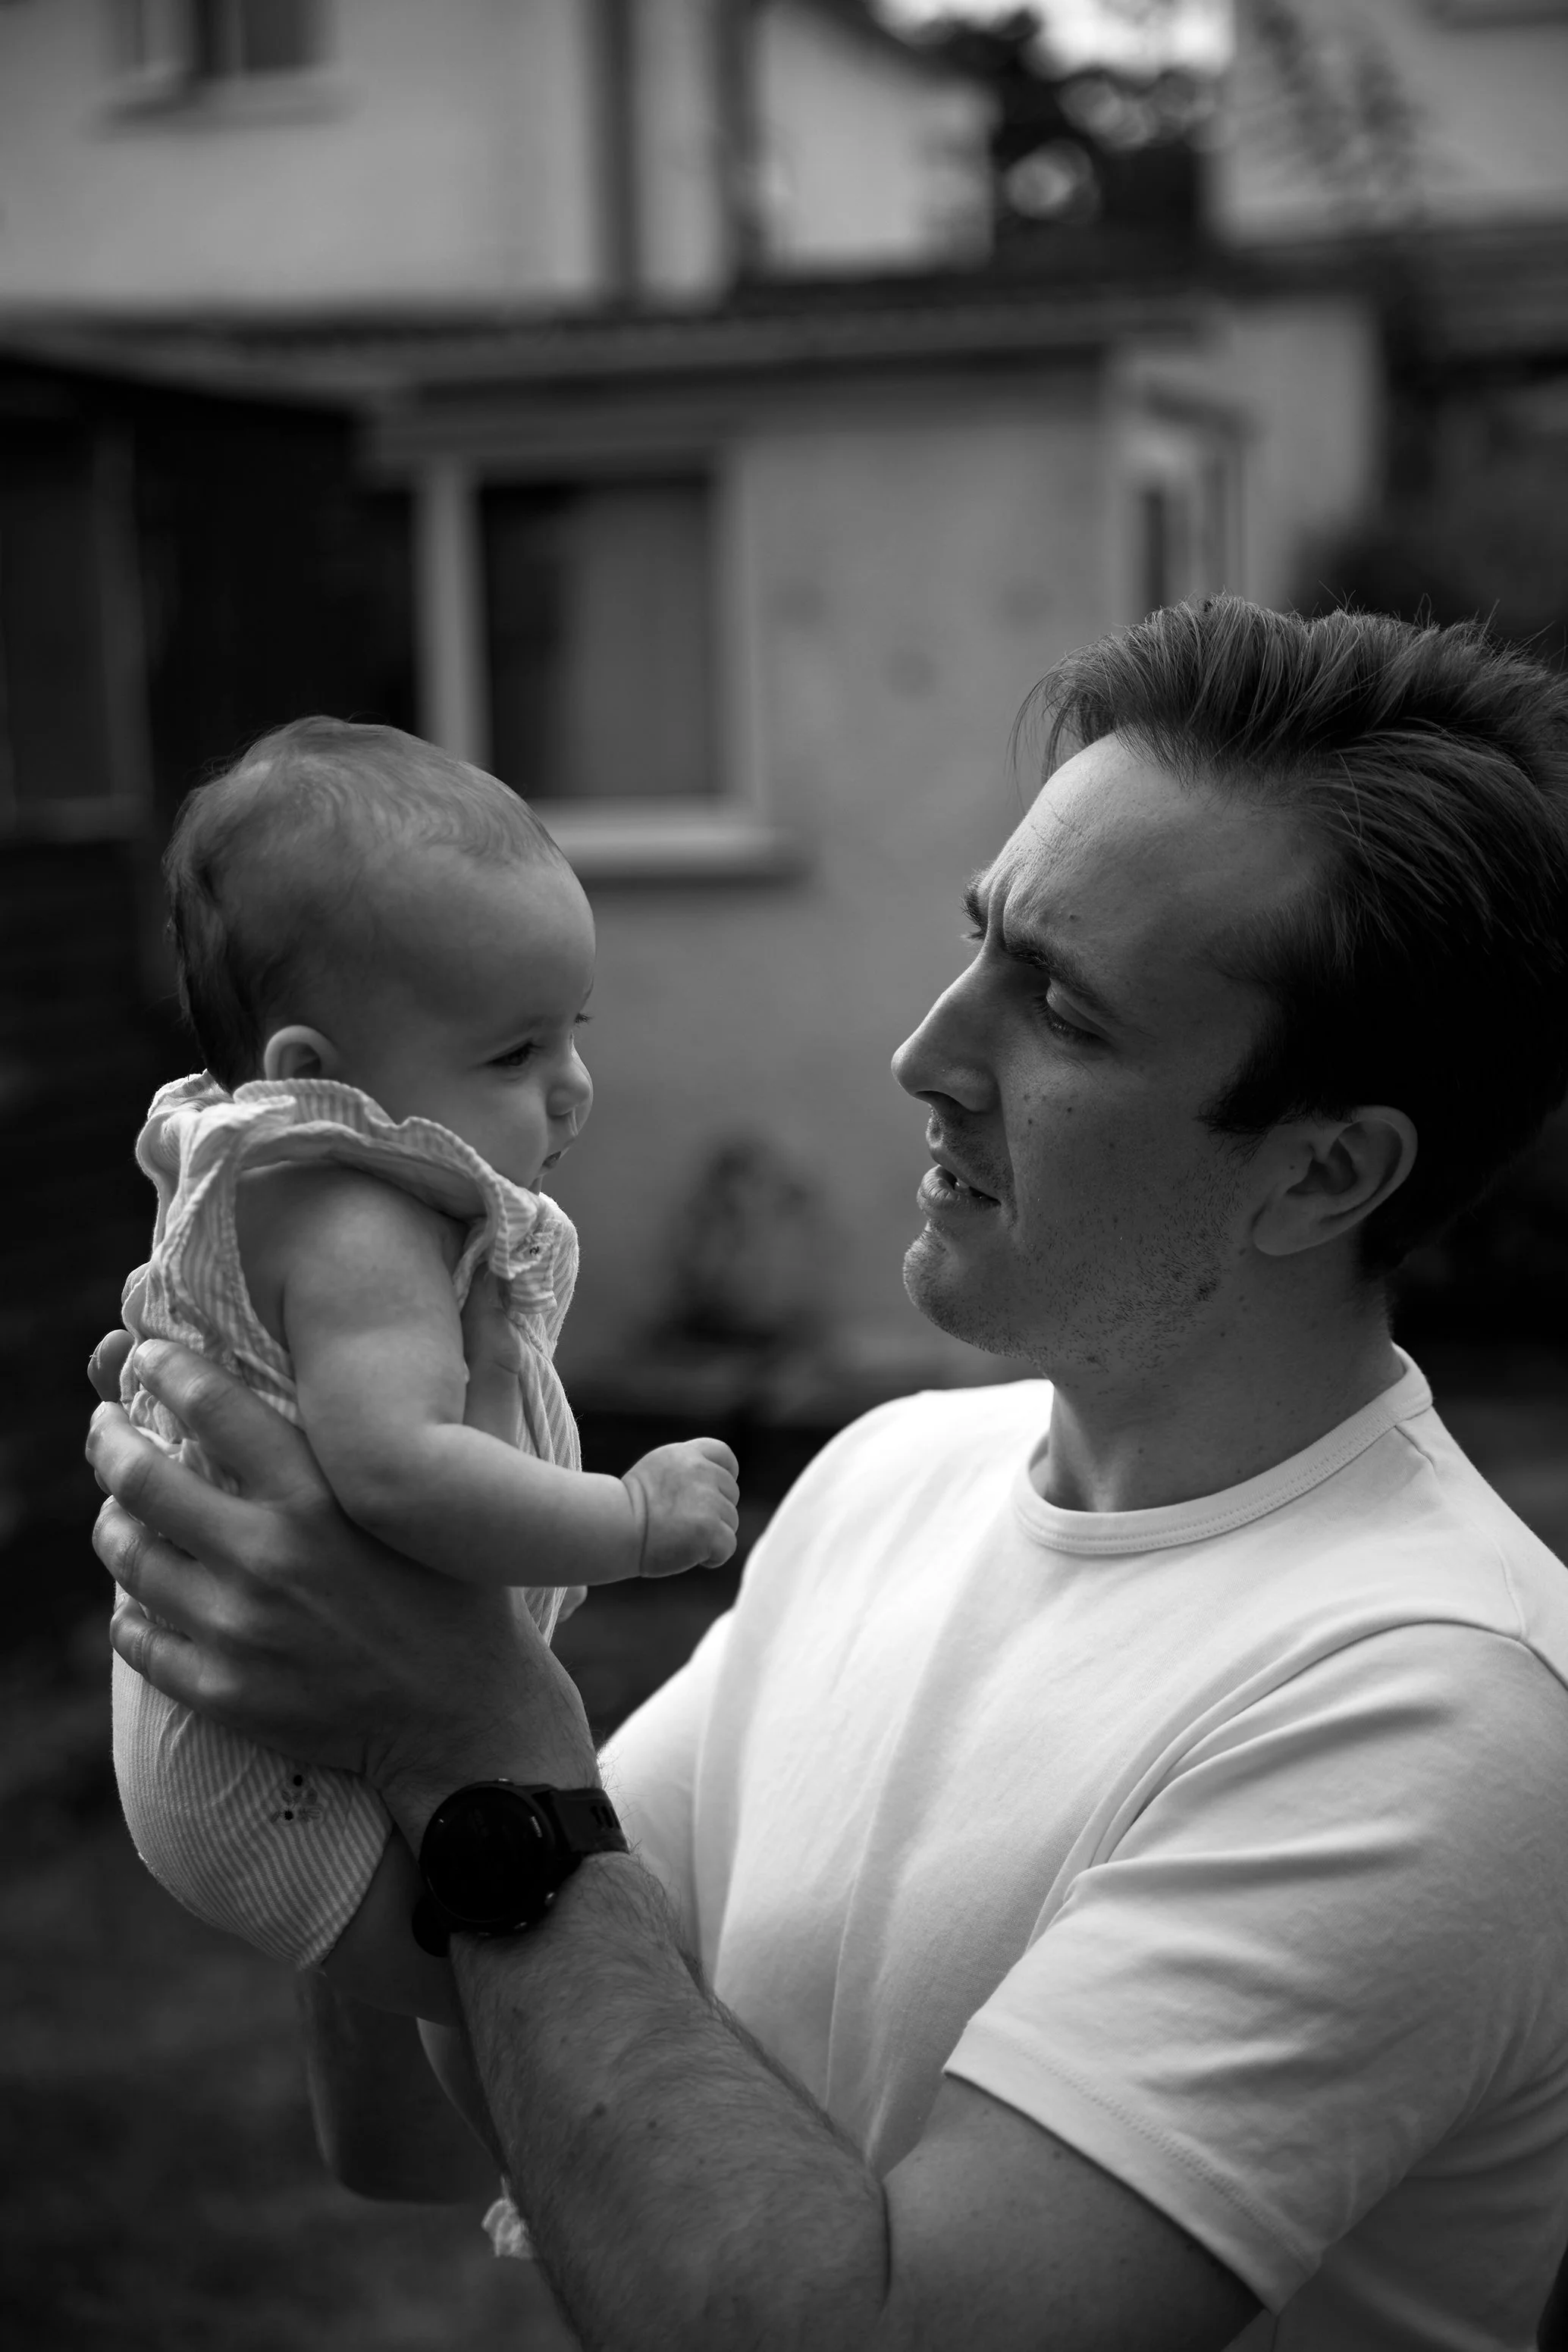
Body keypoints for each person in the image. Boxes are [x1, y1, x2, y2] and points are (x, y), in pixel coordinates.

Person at [89, 601, 1568, 2350]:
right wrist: (335, 1572)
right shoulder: (888, 1478)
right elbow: (428, 2119)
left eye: (1059, 1008)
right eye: (978, 940)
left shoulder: (1430, 1715)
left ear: (1320, 1175)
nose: (923, 1053)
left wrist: (463, 1746)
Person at [111, 717, 739, 2040]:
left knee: (495, 2006)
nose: (572, 1089)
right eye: (514, 1055)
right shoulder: (357, 1225)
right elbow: (401, 1473)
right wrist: (631, 1521)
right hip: (279, 1775)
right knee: (544, 1994)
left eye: (571, 1032)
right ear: (314, 1075)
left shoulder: (304, 1186)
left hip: (271, 1723)